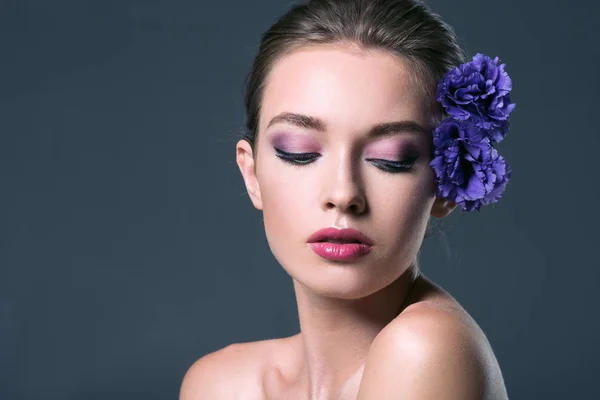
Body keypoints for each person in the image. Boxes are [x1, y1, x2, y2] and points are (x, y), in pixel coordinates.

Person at [181, 0, 514, 398]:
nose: (343, 194)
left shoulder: (424, 349)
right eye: (298, 151)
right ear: (252, 174)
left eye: (391, 158)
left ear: (448, 180)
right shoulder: (220, 384)